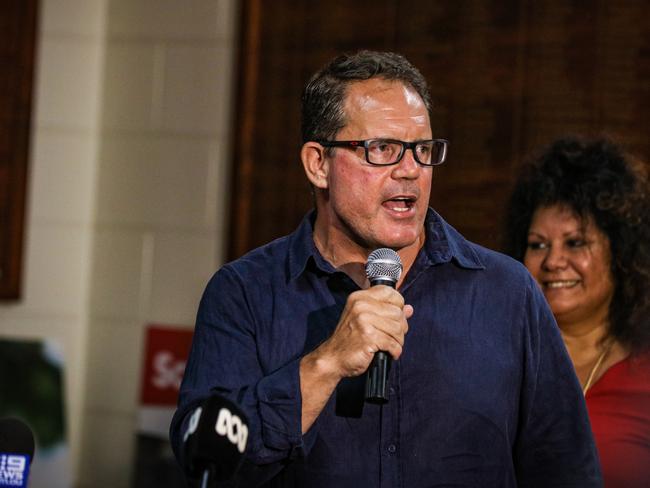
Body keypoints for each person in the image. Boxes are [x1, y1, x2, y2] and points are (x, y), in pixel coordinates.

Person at [170, 51, 602, 487]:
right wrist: (326, 364)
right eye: (383, 149)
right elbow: (208, 469)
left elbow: (568, 471)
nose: (411, 170)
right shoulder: (245, 294)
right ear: (318, 164)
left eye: (423, 150)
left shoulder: (507, 294)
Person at [504, 136, 650, 487]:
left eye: (576, 242)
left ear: (622, 256)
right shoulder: (494, 361)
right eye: (538, 244)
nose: (553, 261)